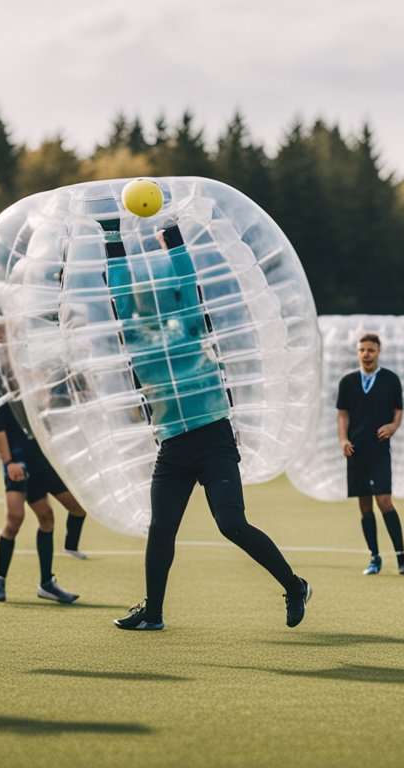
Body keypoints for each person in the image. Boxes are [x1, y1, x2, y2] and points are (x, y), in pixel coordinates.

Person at [104, 218, 310, 631]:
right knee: (161, 529)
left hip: (213, 436)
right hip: (173, 445)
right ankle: (154, 613)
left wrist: (174, 239)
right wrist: (112, 236)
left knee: (231, 523)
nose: (149, 299)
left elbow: (187, 283)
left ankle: (294, 585)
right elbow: (119, 290)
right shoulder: (135, 335)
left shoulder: (187, 323)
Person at [0, 400, 83, 603]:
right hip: (17, 463)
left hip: (40, 460)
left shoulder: (32, 392)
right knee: (14, 520)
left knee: (64, 511)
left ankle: (47, 584)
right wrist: (8, 462)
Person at [336, 333, 404, 575]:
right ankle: (374, 557)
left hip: (379, 451)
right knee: (365, 506)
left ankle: (401, 556)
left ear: (379, 352)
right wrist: (343, 439)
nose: (366, 354)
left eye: (371, 350)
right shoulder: (347, 382)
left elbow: (398, 410)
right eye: (362, 350)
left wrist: (393, 426)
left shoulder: (391, 380)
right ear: (357, 353)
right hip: (356, 452)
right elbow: (343, 414)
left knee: (384, 502)